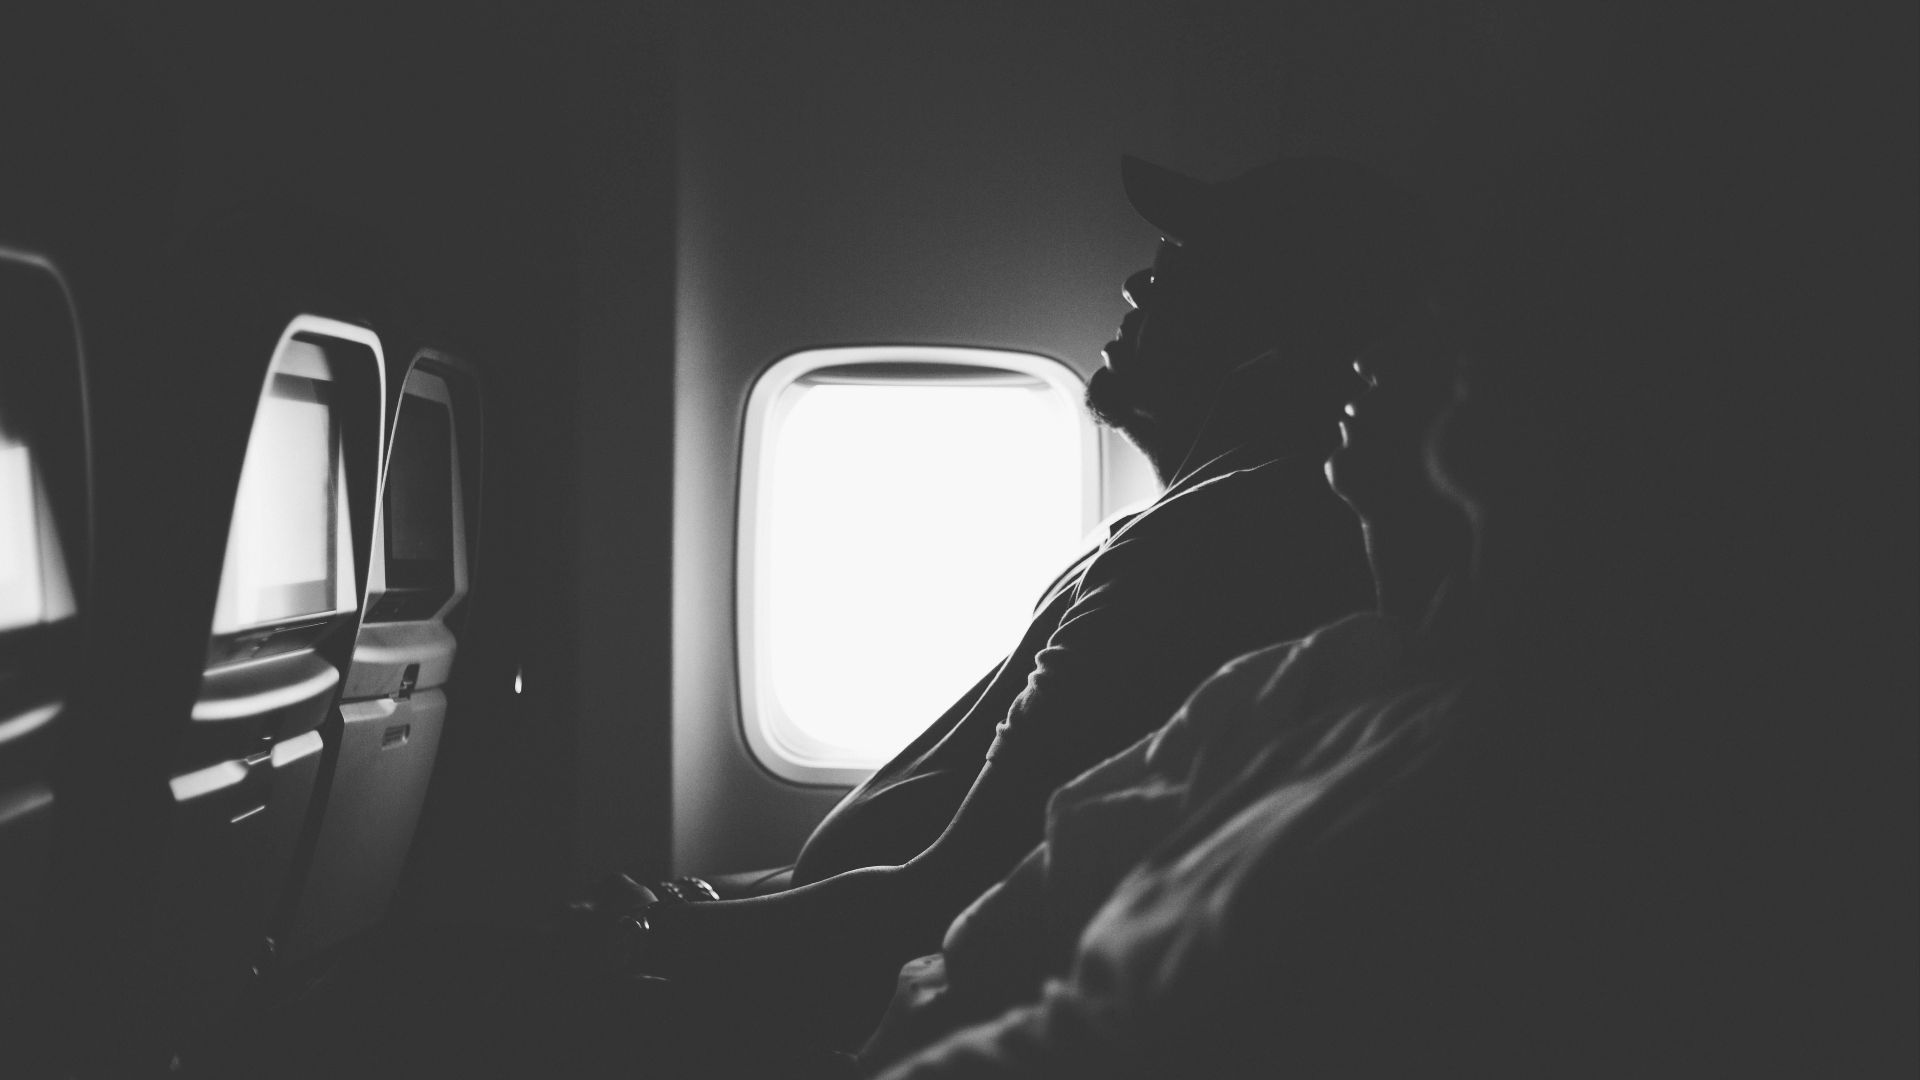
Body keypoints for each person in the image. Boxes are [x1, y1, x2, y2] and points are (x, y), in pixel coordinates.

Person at [585, 155, 1431, 1045]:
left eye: (1185, 263)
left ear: (1273, 328)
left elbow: (934, 902)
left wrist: (657, 931)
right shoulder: (1172, 533)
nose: (1139, 281)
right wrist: (697, 897)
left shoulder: (1207, 552)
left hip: (850, 1006)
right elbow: (914, 840)